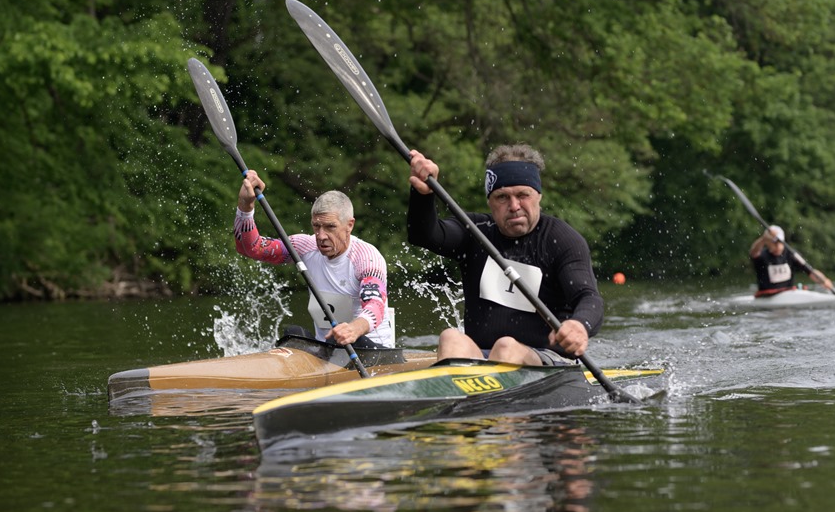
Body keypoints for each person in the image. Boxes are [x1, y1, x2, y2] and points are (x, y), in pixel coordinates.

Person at [406, 143, 602, 366]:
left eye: (523, 195)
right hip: (480, 356)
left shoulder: (562, 240)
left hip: (547, 359)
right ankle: (464, 396)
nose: (514, 206)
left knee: (506, 347)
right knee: (450, 338)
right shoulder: (476, 231)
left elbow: (589, 297)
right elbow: (425, 235)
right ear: (490, 202)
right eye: (502, 197)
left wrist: (579, 325)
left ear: (538, 195)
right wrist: (423, 194)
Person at [233, 170, 394, 347]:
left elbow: (375, 306)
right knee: (292, 335)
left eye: (330, 227)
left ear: (350, 225)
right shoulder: (304, 246)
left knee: (347, 341)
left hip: (371, 349)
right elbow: (251, 248)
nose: (321, 235)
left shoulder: (366, 258)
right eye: (316, 226)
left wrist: (353, 329)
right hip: (328, 347)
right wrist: (245, 206)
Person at [749, 224, 834, 296]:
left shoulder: (791, 254)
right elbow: (753, 252)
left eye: (779, 242)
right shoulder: (762, 256)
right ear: (767, 243)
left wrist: (824, 281)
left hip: (788, 293)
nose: (778, 245)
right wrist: (763, 239)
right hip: (767, 296)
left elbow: (810, 271)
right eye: (774, 242)